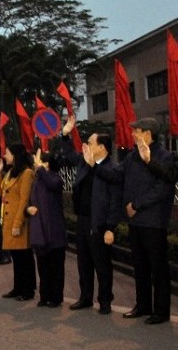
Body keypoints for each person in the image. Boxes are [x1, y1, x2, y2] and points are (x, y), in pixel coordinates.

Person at [90, 117, 173, 325]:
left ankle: (161, 311)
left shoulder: (165, 156)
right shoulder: (132, 156)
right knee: (140, 267)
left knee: (158, 268)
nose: (133, 134)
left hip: (154, 221)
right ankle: (143, 305)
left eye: (136, 130)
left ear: (148, 133)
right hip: (136, 222)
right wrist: (95, 166)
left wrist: (136, 205)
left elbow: (162, 188)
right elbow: (116, 175)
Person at [60, 115, 122, 315]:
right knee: (83, 262)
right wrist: (65, 134)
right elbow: (69, 154)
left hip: (101, 223)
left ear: (102, 147)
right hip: (83, 221)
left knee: (102, 265)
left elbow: (115, 202)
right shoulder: (84, 162)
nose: (86, 146)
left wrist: (111, 227)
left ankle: (105, 301)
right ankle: (85, 297)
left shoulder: (112, 168)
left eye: (90, 143)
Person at [0, 142, 36, 301]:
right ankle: (18, 288)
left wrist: (18, 223)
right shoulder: (11, 172)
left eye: (8, 153)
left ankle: (28, 289)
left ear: (16, 155)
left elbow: (25, 200)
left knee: (25, 257)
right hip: (7, 220)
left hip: (19, 222)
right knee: (17, 258)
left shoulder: (27, 173)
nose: (5, 156)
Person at [26, 150, 67, 308]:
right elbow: (30, 201)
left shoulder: (55, 178)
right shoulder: (37, 180)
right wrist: (28, 209)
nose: (36, 164)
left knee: (55, 266)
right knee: (43, 266)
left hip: (54, 231)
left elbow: (53, 184)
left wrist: (41, 169)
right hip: (40, 229)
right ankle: (45, 295)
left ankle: (56, 297)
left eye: (39, 161)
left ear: (46, 164)